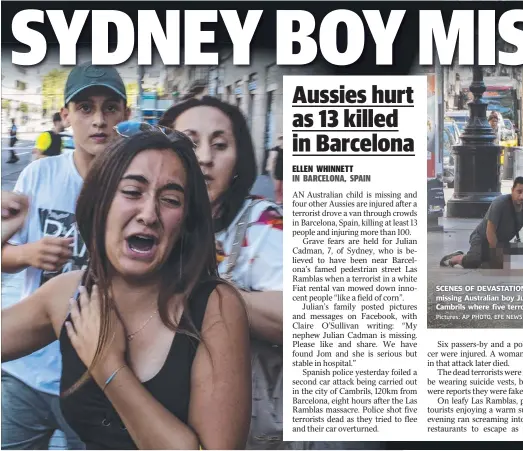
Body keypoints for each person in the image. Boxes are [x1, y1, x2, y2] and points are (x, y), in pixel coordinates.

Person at [2, 128, 252, 450]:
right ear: (100, 203)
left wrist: (109, 367)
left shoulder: (215, 307)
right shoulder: (69, 294)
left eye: (170, 200)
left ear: (185, 222)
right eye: (133, 192)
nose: (149, 214)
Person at [160, 97, 378, 451]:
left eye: (220, 145)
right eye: (188, 142)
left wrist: (207, 296)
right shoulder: (154, 224)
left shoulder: (263, 225)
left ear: (237, 162)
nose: (204, 157)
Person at [1, 61, 130, 450]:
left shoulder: (135, 184)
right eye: (85, 108)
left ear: (125, 115)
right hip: (25, 369)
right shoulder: (39, 176)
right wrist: (27, 253)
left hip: (96, 377)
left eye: (110, 108)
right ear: (66, 116)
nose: (98, 120)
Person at [440, 177, 523, 269]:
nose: (522, 196)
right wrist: (498, 255)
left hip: (501, 242)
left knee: (514, 259)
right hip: (482, 238)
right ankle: (458, 258)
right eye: (519, 192)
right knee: (473, 261)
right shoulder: (500, 203)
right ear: (512, 190)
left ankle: (486, 260)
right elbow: (490, 232)